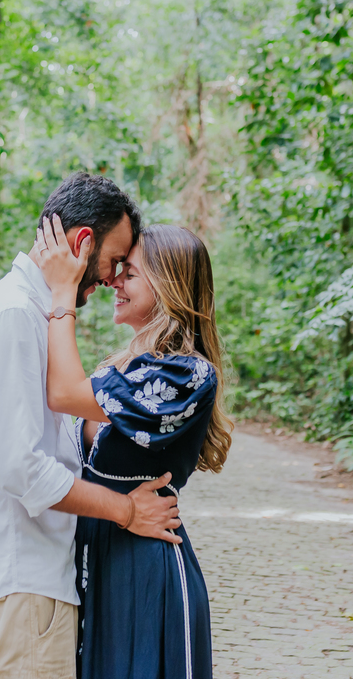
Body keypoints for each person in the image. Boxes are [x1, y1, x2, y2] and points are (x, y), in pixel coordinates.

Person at [0, 173, 184, 679]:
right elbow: (20, 468)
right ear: (82, 242)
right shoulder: (14, 315)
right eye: (114, 261)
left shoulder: (34, 312)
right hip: (20, 580)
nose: (112, 279)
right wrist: (126, 511)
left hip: (33, 580)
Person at [35, 215, 232, 679]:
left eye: (131, 273)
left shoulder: (186, 373)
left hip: (144, 567)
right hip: (100, 558)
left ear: (167, 287)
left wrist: (63, 293)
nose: (114, 282)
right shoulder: (125, 366)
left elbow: (63, 393)